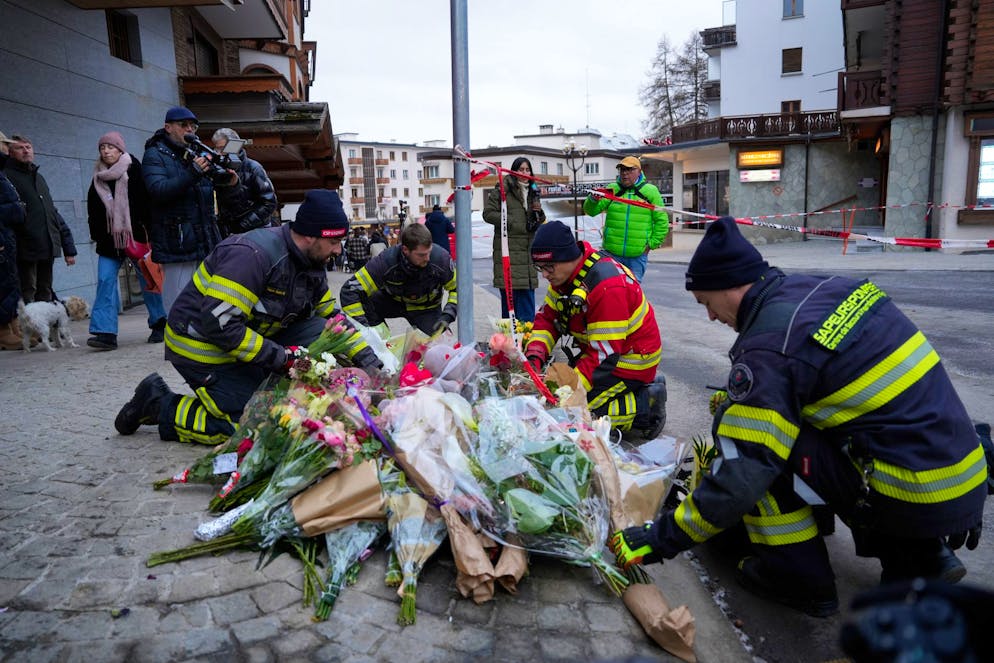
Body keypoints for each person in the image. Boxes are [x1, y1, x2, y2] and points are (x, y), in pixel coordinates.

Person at [609, 217, 989, 618]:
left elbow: (743, 472)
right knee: (833, 428)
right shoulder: (831, 290)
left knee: (761, 455)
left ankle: (800, 580)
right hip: (961, 472)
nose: (711, 317)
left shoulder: (770, 347)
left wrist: (659, 539)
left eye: (706, 303)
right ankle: (919, 555)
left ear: (730, 287)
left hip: (909, 493)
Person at [114, 189, 381, 444]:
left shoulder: (312, 262)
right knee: (252, 423)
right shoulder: (252, 256)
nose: (338, 251)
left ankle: (257, 379)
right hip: (202, 345)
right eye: (334, 242)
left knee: (316, 329)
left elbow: (331, 319)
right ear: (311, 236)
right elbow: (221, 325)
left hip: (246, 340)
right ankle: (158, 404)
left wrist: (372, 363)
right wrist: (283, 359)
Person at [523, 220, 666, 439]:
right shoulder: (566, 278)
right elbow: (547, 320)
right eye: (540, 268)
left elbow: (604, 356)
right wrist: (534, 356)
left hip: (629, 362)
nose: (544, 275)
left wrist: (570, 392)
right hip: (604, 355)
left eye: (548, 267)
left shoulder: (607, 286)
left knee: (573, 415)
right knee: (556, 404)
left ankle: (647, 404)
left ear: (567, 257)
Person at [142, 107, 234, 312]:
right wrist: (193, 172)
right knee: (179, 302)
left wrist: (229, 182)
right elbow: (158, 190)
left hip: (205, 237)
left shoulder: (196, 152)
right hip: (178, 239)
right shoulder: (154, 154)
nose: (190, 130)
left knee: (208, 299)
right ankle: (177, 341)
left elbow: (211, 189)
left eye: (193, 126)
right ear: (168, 127)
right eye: (184, 125)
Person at [85, 131, 167, 350]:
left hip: (137, 237)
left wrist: (150, 232)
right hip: (109, 242)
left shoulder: (134, 169)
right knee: (105, 281)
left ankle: (160, 323)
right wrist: (98, 235)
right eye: (102, 148)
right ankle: (105, 333)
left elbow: (147, 202)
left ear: (120, 149)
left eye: (110, 147)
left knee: (148, 279)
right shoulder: (98, 177)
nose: (106, 151)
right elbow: (93, 210)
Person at [340, 223, 457, 336]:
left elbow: (459, 289)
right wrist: (365, 330)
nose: (427, 258)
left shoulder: (441, 259)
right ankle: (382, 341)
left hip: (426, 309)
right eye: (421, 255)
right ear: (405, 250)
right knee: (365, 300)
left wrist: (447, 315)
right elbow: (350, 290)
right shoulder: (386, 261)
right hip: (394, 303)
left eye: (429, 252)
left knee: (438, 349)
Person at [2, 134, 77, 303]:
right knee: (28, 291)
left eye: (28, 147)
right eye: (20, 148)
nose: (26, 150)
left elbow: (52, 213)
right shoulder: (6, 176)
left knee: (45, 291)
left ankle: (46, 329)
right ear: (10, 152)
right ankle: (28, 329)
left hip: (47, 245)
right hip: (24, 248)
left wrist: (68, 247)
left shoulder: (38, 177)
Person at [582, 156, 668, 282]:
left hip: (637, 256)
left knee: (632, 294)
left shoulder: (651, 191)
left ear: (639, 171)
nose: (624, 173)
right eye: (622, 170)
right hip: (611, 253)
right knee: (611, 290)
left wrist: (650, 245)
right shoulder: (612, 189)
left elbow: (662, 221)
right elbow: (591, 211)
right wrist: (593, 200)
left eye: (629, 170)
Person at [483, 156, 546, 322]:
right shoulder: (504, 189)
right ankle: (509, 342)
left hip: (527, 255)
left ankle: (526, 342)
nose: (525, 173)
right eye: (521, 169)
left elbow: (536, 220)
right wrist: (511, 221)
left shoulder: (534, 192)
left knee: (527, 303)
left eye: (527, 169)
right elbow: (488, 214)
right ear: (513, 170)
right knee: (510, 308)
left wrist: (539, 215)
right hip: (509, 252)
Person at [211, 128, 278, 237]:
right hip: (227, 233)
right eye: (216, 149)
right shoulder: (215, 170)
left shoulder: (253, 168)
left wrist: (243, 225)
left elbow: (269, 202)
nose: (219, 153)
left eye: (222, 148)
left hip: (256, 232)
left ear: (235, 146)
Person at [0, 132, 26, 350]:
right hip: (2, 235)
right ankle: (4, 330)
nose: (6, 148)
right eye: (3, 144)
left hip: (7, 236)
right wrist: (16, 209)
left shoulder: (2, 173)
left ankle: (14, 325)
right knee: (3, 285)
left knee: (10, 283)